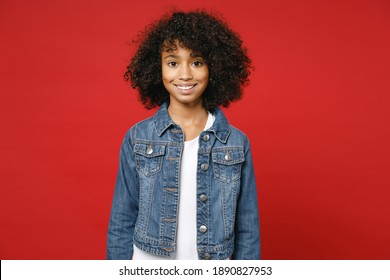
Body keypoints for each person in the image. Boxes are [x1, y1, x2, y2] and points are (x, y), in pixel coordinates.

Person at [107, 10, 260, 260]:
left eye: (197, 62)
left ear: (215, 68)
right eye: (173, 62)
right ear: (158, 69)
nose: (185, 74)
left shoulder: (235, 143)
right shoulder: (138, 138)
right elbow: (121, 220)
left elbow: (247, 228)